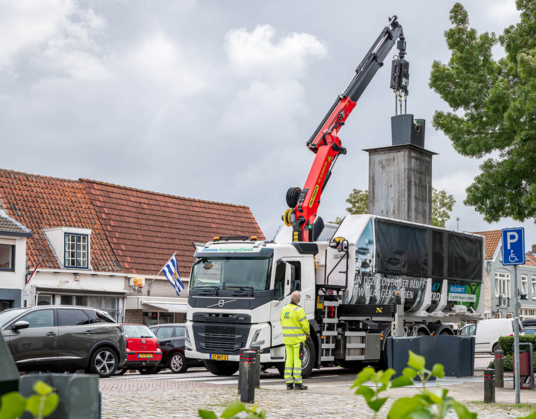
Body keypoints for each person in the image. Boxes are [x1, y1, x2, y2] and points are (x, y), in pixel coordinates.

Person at [280, 290, 310, 390]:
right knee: (297, 361)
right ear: (299, 300)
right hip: (298, 340)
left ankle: (288, 383)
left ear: (290, 299)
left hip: (287, 339)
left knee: (289, 360)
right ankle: (298, 383)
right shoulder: (299, 310)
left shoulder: (284, 309)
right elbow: (305, 325)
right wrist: (308, 333)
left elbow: (281, 322)